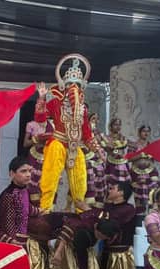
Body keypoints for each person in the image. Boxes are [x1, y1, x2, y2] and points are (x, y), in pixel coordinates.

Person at [34, 54, 105, 211]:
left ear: (81, 87)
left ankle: (82, 215)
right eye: (70, 84)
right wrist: (42, 98)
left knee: (80, 183)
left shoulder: (83, 109)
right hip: (57, 143)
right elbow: (40, 118)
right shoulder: (55, 103)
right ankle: (45, 211)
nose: (73, 87)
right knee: (50, 180)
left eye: (77, 84)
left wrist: (99, 150)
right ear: (63, 86)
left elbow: (87, 134)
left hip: (74, 146)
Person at [129, 125, 160, 214]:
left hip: (150, 173)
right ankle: (139, 217)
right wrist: (140, 155)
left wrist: (152, 155)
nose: (146, 133)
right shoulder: (134, 145)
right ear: (139, 133)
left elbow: (158, 158)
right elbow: (129, 158)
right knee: (139, 197)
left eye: (147, 131)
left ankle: (152, 216)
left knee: (153, 194)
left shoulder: (151, 145)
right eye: (144, 131)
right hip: (137, 173)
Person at [22, 117, 52, 207]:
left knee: (48, 184)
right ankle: (33, 209)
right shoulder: (31, 125)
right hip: (34, 156)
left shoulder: (52, 124)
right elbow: (25, 144)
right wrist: (36, 139)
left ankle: (45, 210)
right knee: (32, 185)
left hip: (48, 157)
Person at [84, 113, 107, 208]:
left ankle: (98, 209)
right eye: (93, 119)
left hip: (99, 163)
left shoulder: (99, 134)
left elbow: (108, 145)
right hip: (88, 162)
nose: (95, 121)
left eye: (97, 119)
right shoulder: (84, 132)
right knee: (88, 187)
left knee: (100, 186)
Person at [104, 118, 131, 186]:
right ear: (111, 126)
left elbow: (124, 147)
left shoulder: (123, 138)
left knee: (123, 185)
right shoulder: (106, 138)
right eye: (115, 125)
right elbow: (107, 149)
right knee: (111, 184)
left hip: (122, 164)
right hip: (111, 163)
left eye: (119, 125)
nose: (118, 127)